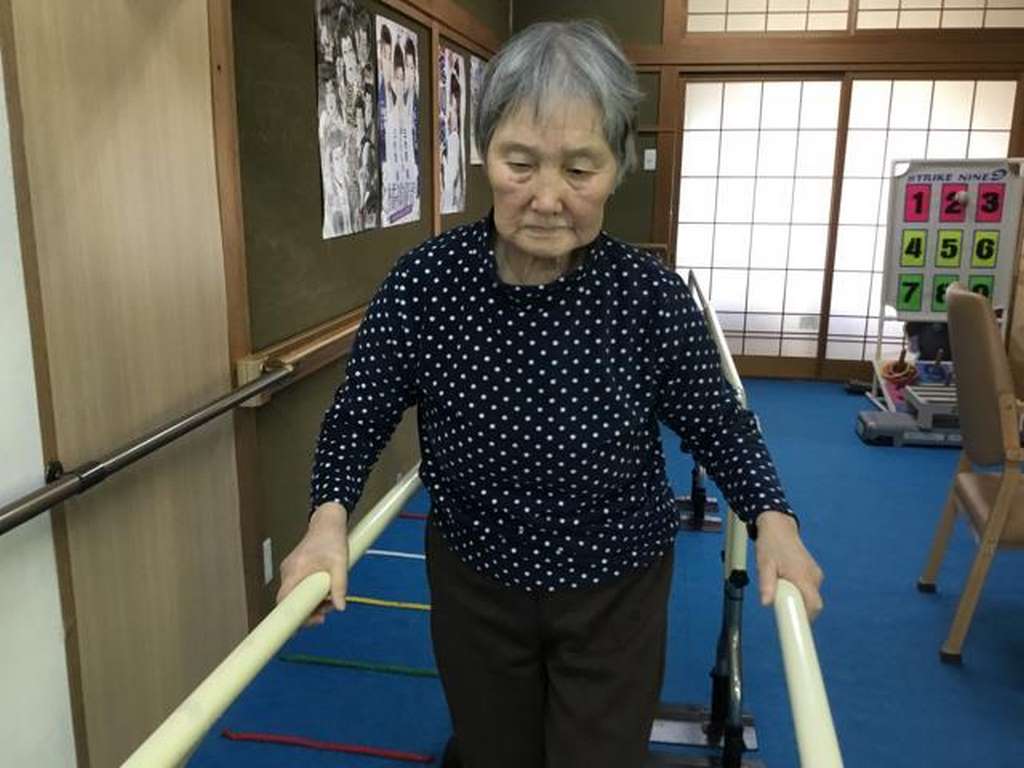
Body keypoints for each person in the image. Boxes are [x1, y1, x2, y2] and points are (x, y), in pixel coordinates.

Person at [280, 20, 823, 768]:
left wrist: (774, 520)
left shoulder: (649, 297)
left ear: (617, 167)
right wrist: (326, 521)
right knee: (493, 752)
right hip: (475, 578)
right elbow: (359, 414)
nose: (545, 197)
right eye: (520, 162)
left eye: (579, 169)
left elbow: (718, 422)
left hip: (615, 586)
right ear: (484, 152)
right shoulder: (426, 283)